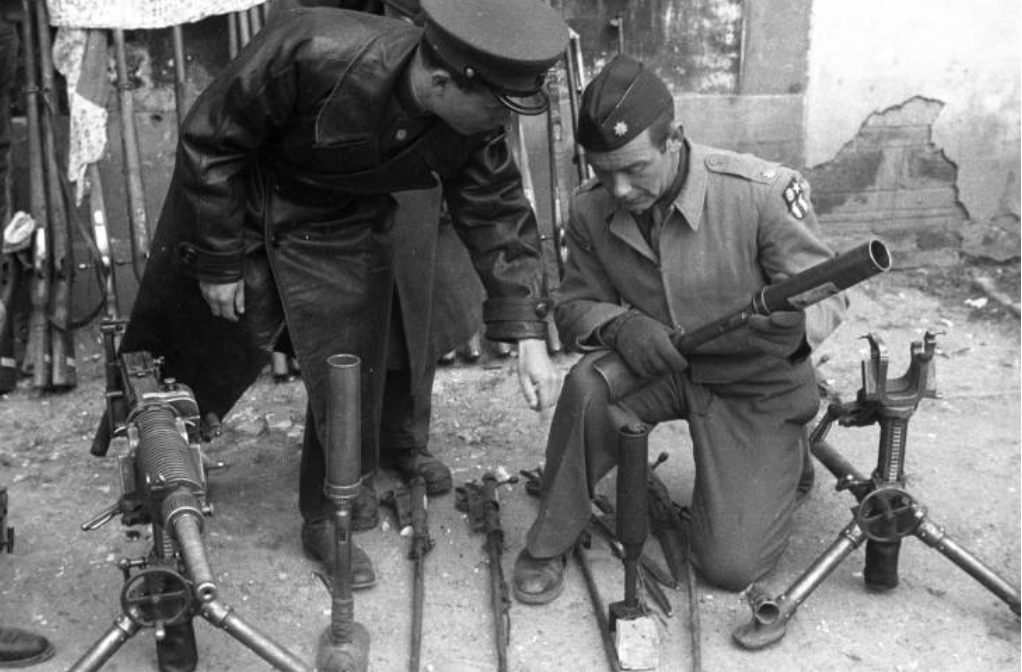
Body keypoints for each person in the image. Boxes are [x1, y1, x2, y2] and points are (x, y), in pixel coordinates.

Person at [113, 0, 566, 599]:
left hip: (345, 223)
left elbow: (501, 214)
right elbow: (210, 140)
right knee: (183, 354)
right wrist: (219, 257)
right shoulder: (307, 46)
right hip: (242, 203)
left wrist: (530, 339)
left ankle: (328, 516)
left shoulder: (473, 124)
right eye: (495, 106)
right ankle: (153, 470)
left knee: (347, 373)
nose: (499, 123)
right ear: (439, 80)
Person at [511, 54, 848, 604]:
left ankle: (785, 460)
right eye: (602, 170)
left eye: (633, 169)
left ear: (675, 139)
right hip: (663, 367)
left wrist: (793, 330)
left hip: (754, 384)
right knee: (588, 384)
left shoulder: (759, 194)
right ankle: (550, 539)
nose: (617, 189)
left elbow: (827, 291)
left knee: (729, 567)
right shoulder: (591, 208)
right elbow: (574, 306)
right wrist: (623, 326)